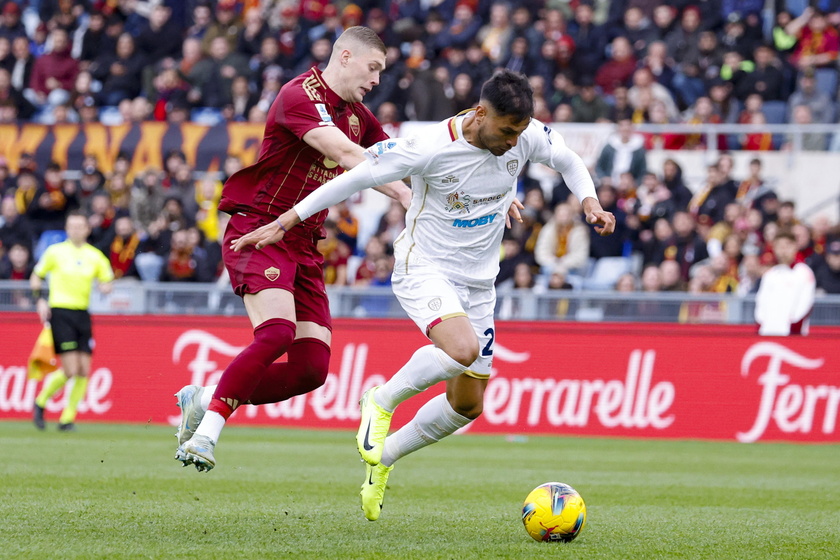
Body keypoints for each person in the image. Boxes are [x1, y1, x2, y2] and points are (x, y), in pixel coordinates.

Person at [231, 70, 616, 520]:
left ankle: (384, 459)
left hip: (479, 283)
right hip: (425, 267)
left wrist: (589, 201)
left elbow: (567, 160)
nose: (514, 142)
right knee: (462, 349)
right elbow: (353, 179)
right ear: (479, 114)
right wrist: (286, 221)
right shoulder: (429, 146)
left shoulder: (524, 133)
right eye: (507, 131)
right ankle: (381, 400)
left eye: (520, 132)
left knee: (467, 405)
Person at [174, 26, 411, 472]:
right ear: (344, 56)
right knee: (278, 332)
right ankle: (205, 436)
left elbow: (399, 158)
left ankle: (204, 397)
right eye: (373, 67)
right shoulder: (297, 94)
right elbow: (343, 152)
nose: (377, 80)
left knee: (310, 370)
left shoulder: (358, 115)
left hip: (304, 244)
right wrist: (402, 194)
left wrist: (465, 188)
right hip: (259, 230)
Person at [30, 212, 114, 431]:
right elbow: (36, 276)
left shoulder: (94, 256)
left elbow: (107, 280)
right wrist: (40, 301)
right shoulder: (55, 252)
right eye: (72, 226)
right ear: (67, 229)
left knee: (84, 370)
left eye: (80, 226)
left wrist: (106, 287)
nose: (76, 230)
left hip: (82, 314)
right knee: (70, 369)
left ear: (87, 229)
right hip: (60, 312)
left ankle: (67, 418)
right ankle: (40, 402)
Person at [754, 231, 816, 336]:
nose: (783, 250)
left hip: (793, 334)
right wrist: (761, 325)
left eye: (787, 245)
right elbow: (761, 302)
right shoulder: (770, 274)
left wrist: (793, 327)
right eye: (779, 246)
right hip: (768, 332)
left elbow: (805, 303)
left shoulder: (804, 272)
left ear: (795, 246)